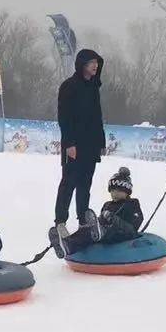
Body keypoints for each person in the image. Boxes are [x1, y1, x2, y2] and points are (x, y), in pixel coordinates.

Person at [55, 49, 105, 236]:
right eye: (92, 62)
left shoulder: (93, 87)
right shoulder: (69, 86)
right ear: (82, 64)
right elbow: (64, 116)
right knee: (69, 182)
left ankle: (83, 218)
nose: (95, 66)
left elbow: (97, 117)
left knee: (86, 183)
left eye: (97, 62)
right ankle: (60, 220)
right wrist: (69, 143)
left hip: (90, 144)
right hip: (74, 144)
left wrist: (101, 141)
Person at [47, 167, 143, 258]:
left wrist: (114, 219)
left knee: (99, 232)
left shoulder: (132, 204)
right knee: (86, 231)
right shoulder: (108, 205)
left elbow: (132, 228)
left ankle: (98, 232)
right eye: (112, 191)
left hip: (122, 235)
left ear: (127, 191)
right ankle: (66, 245)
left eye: (119, 191)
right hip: (106, 234)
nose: (115, 194)